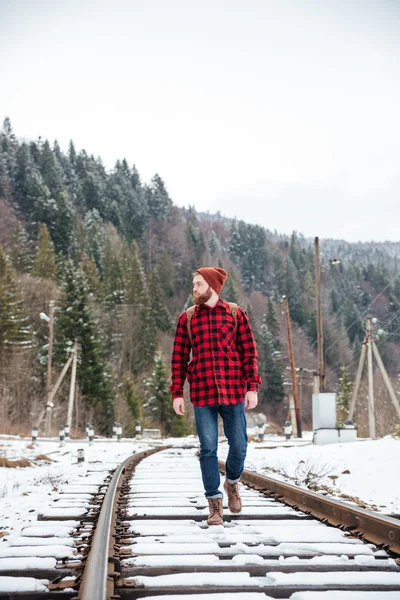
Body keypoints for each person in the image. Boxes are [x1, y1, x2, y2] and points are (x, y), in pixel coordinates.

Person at [170, 267, 261, 526]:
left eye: (198, 284)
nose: (194, 288)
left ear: (212, 286)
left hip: (233, 390)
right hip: (201, 393)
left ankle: (232, 483)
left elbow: (249, 354)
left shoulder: (235, 314)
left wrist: (252, 387)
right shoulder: (187, 318)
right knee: (208, 449)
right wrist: (177, 393)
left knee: (240, 445)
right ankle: (214, 504)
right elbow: (178, 359)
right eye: (194, 283)